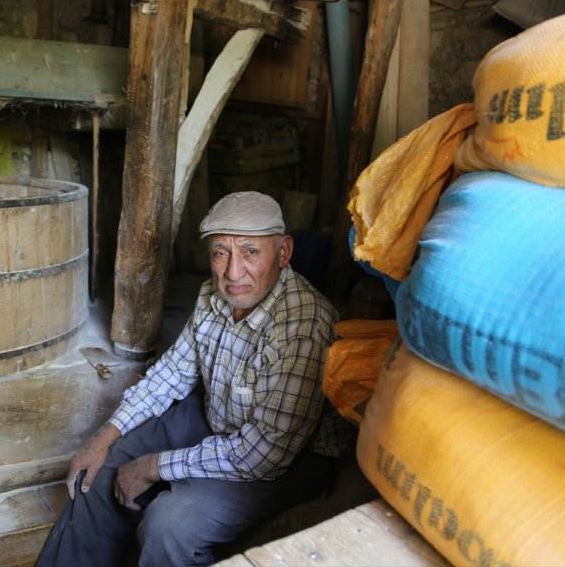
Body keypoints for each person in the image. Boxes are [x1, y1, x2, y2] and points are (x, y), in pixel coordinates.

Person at [37, 191, 354, 567]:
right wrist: (104, 434)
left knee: (171, 524)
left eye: (251, 252)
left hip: (291, 459)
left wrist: (154, 466)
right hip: (219, 418)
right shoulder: (213, 296)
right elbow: (170, 374)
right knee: (101, 467)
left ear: (283, 253)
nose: (233, 272)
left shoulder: (304, 326)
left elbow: (264, 456)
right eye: (221, 252)